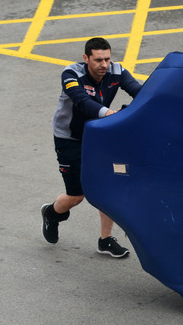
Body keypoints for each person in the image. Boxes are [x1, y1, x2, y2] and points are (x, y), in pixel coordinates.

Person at [40, 36, 142, 258]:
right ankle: (52, 212)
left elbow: (139, 91)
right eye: (97, 60)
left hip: (99, 135)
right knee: (77, 195)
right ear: (86, 58)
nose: (103, 65)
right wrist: (111, 114)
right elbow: (82, 102)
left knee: (108, 189)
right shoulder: (71, 74)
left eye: (106, 59)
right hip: (70, 137)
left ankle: (105, 241)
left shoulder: (116, 71)